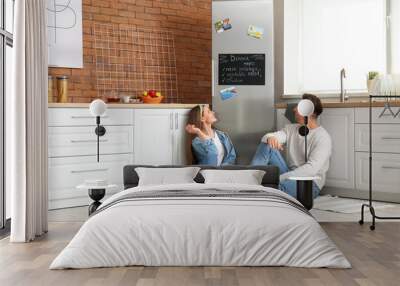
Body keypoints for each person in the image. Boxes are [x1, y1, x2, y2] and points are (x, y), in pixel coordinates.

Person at [251, 94, 332, 199]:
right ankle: (250, 180)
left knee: (279, 190)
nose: (294, 109)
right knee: (267, 144)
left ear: (308, 111)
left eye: (298, 107)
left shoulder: (322, 137)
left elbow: (311, 170)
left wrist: (278, 178)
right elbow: (266, 138)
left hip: (310, 182)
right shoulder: (291, 129)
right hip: (289, 174)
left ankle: (256, 190)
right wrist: (270, 137)